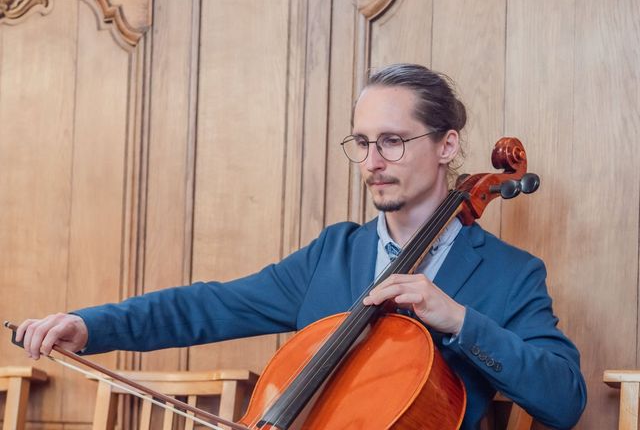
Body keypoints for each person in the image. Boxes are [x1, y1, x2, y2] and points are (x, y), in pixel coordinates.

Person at [16, 63, 586, 429]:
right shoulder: (333, 255)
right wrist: (89, 327)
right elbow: (208, 306)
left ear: (447, 145)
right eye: (361, 143)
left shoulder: (510, 273)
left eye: (392, 141)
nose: (373, 163)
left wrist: (458, 318)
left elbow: (563, 400)